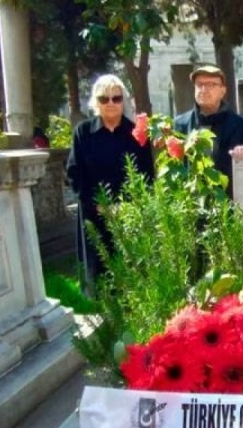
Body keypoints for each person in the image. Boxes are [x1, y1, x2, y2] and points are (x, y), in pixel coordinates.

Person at [66, 75, 154, 294]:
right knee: (99, 277)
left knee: (131, 274)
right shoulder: (83, 133)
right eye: (104, 99)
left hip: (129, 213)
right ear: (96, 102)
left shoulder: (136, 133)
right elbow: (74, 173)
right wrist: (98, 204)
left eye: (116, 98)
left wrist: (129, 206)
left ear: (123, 101)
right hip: (94, 213)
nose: (111, 103)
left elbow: (146, 175)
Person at [173, 64, 243, 190]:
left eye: (210, 85)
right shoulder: (180, 125)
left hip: (228, 202)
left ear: (223, 90)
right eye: (199, 84)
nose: (203, 89)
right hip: (190, 203)